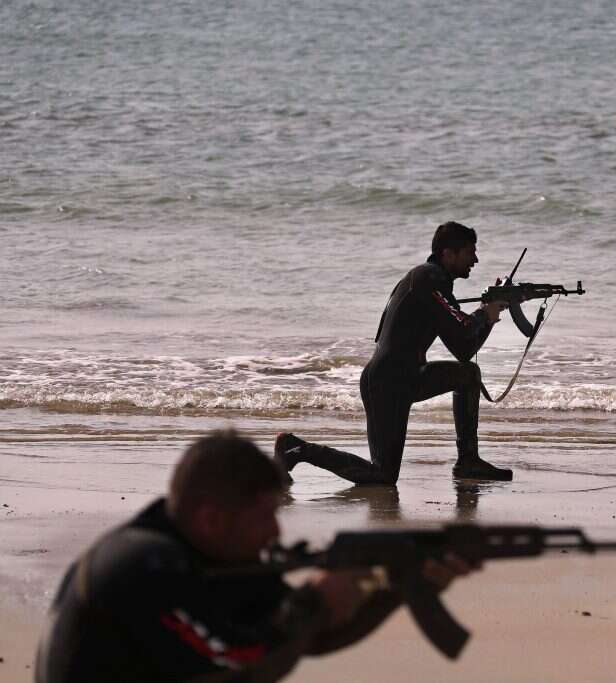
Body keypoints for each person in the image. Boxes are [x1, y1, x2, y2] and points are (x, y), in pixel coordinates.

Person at [35, 430, 474, 682]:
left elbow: (308, 640)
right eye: (265, 517)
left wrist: (401, 586)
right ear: (211, 519)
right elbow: (247, 666)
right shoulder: (144, 568)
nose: (276, 532)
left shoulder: (207, 553)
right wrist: (313, 603)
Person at [275, 221, 512, 485]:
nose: (475, 260)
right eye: (470, 252)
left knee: (468, 374)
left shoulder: (435, 284)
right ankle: (296, 449)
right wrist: (484, 313)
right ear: (448, 253)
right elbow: (464, 329)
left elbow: (464, 349)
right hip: (387, 382)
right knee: (382, 476)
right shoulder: (429, 278)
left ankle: (468, 462)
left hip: (408, 377)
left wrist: (489, 315)